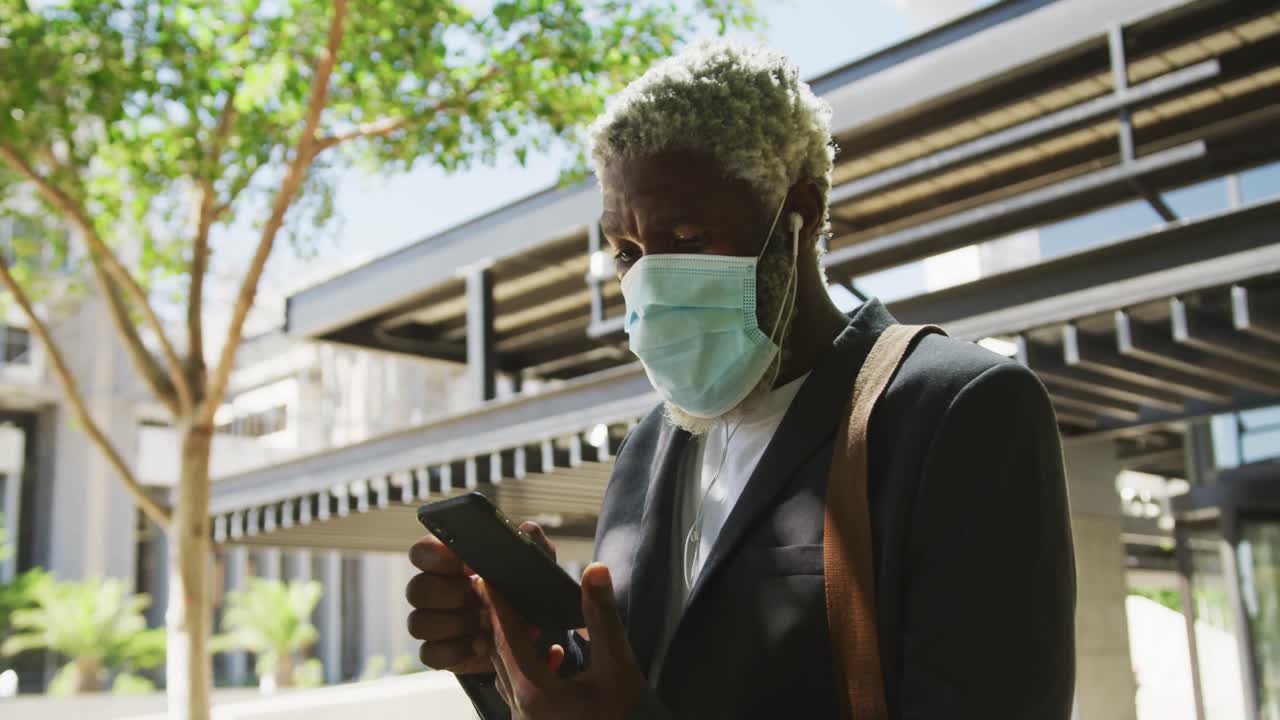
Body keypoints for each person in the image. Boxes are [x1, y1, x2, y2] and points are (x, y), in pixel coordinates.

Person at [406, 40, 1076, 719]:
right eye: (627, 252)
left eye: (689, 238)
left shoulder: (958, 411)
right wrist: (510, 656)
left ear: (800, 213)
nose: (651, 281)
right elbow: (646, 685)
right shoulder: (649, 447)